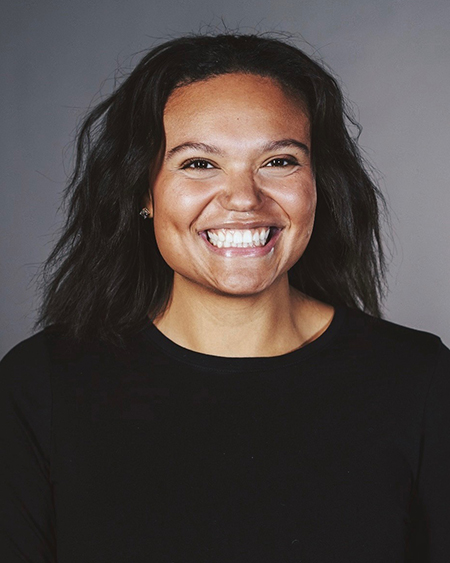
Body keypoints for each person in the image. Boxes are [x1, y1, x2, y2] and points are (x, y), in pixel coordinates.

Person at [1, 33, 449, 563]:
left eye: (279, 161)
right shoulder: (42, 385)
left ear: (318, 184)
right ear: (143, 191)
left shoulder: (420, 381)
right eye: (198, 164)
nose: (243, 199)